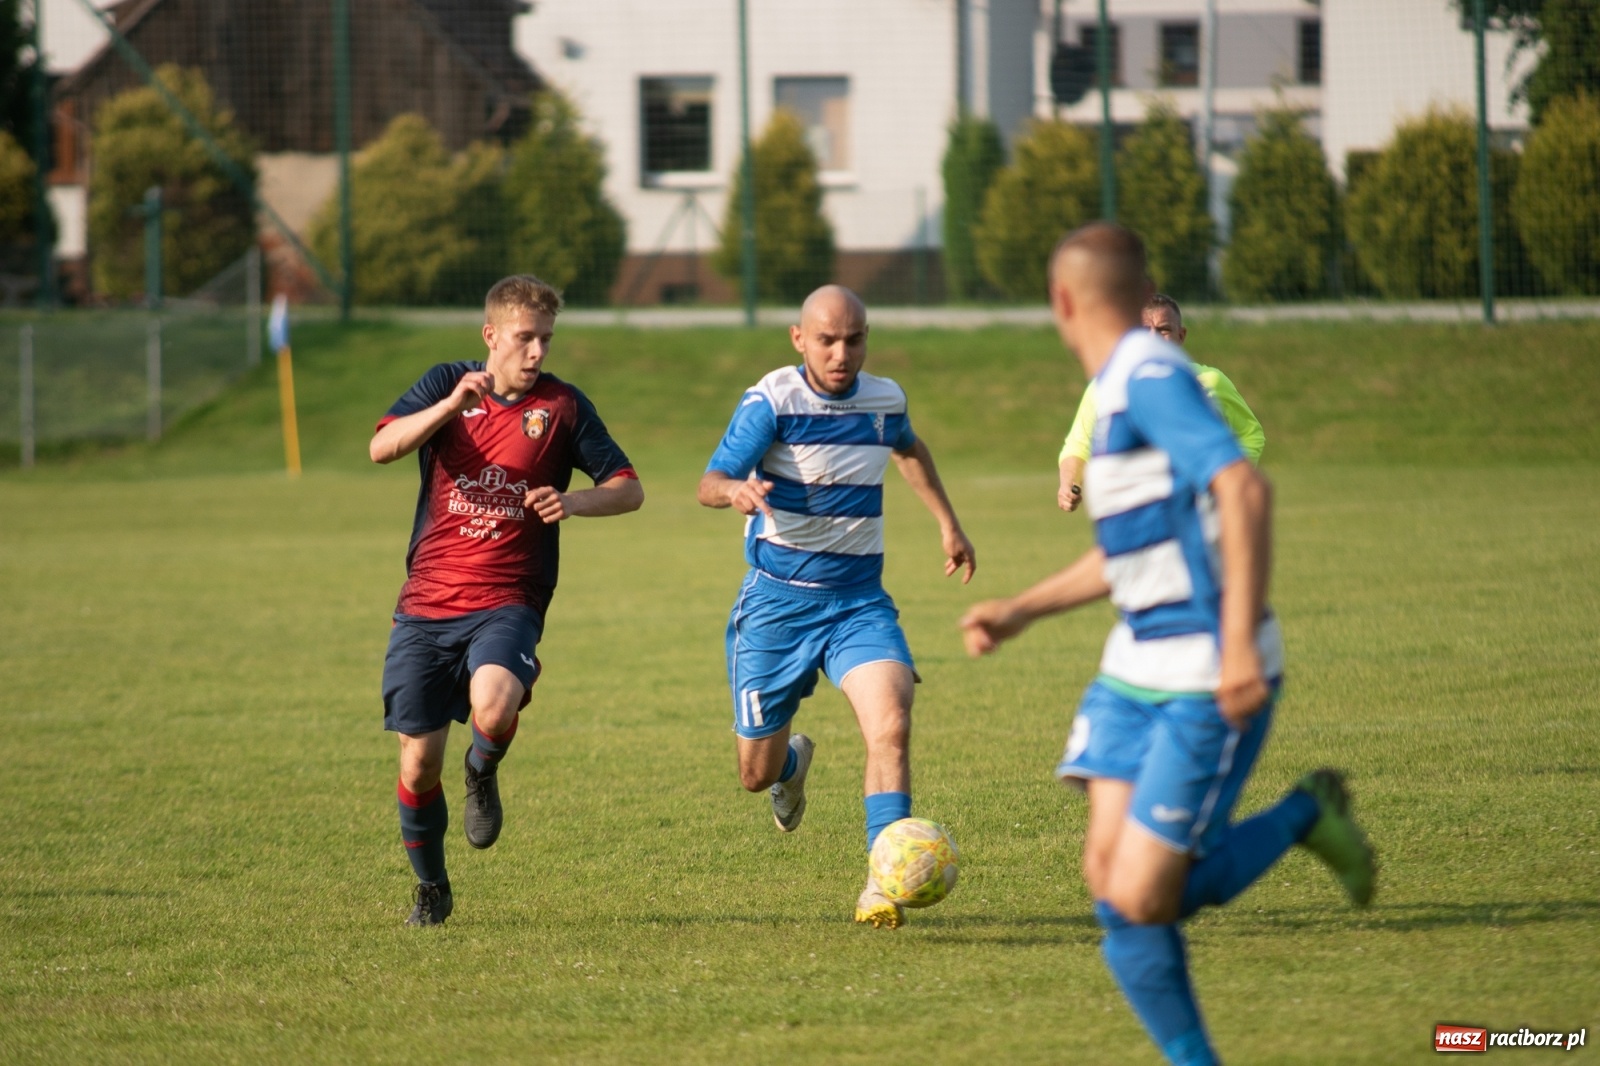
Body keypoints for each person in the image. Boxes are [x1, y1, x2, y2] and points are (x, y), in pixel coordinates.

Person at [960, 225, 1374, 1066]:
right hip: (1132, 666)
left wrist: (1235, 647)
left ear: (1062, 302)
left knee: (1146, 893)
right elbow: (1129, 552)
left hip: (1199, 671)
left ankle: (1305, 813)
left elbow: (1243, 487)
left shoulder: (1150, 378)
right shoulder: (1114, 394)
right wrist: (1023, 610)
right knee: (1116, 891)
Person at [698, 285, 976, 929]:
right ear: (800, 339)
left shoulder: (885, 399)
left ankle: (882, 883)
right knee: (753, 771)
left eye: (854, 339)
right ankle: (790, 765)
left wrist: (948, 524)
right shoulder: (771, 401)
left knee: (891, 724)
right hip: (776, 606)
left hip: (859, 604)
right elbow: (708, 483)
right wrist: (736, 490)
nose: (841, 353)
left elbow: (909, 449)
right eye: (827, 340)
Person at [370, 275, 644, 927]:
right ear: (491, 336)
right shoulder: (444, 384)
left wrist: (573, 500)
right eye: (525, 338)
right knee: (416, 762)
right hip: (427, 602)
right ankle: (432, 887)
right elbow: (382, 446)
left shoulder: (564, 407)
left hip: (508, 599)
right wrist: (450, 407)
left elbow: (629, 488)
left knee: (493, 706)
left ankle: (483, 769)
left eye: (546, 339)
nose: (537, 352)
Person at [1058, 294, 1263, 512]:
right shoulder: (1106, 385)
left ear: (1181, 335)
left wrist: (1227, 483)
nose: (1153, 337)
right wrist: (1070, 483)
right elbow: (1079, 443)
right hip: (1133, 510)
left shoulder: (1209, 382)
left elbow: (1250, 434)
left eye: (1163, 329)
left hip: (1194, 512)